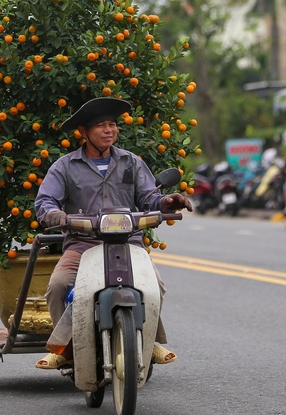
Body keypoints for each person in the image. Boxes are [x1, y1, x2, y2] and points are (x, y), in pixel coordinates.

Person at [34, 97, 193, 370]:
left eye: (112, 124)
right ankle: (65, 348)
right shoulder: (65, 166)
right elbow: (44, 201)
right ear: (84, 132)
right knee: (57, 285)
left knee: (155, 286)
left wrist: (167, 202)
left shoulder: (131, 162)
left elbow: (149, 197)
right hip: (82, 245)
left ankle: (149, 340)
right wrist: (55, 214)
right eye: (101, 126)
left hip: (127, 243)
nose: (109, 130)